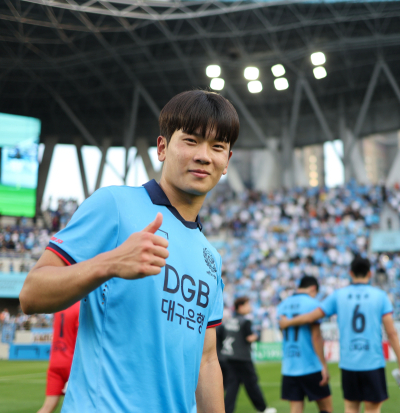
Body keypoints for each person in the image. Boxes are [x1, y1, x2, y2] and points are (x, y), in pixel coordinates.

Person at [20, 90, 239, 413]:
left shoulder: (211, 257)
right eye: (191, 140)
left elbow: (206, 360)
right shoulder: (114, 205)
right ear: (162, 148)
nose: (204, 155)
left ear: (226, 162)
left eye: (217, 146)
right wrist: (110, 262)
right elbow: (31, 295)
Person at [280, 257, 400, 413]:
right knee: (373, 409)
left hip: (349, 364)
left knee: (351, 408)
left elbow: (311, 317)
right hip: (372, 362)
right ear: (370, 273)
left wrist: (288, 322)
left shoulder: (338, 295)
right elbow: (391, 333)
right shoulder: (380, 295)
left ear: (350, 273)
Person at [276, 275, 333, 413]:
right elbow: (316, 337)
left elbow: (282, 331)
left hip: (289, 366)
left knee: (295, 410)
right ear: (313, 288)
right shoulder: (313, 304)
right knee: (326, 408)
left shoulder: (282, 305)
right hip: (310, 365)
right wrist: (323, 366)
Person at [220, 296, 277, 413]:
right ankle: (263, 409)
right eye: (247, 305)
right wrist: (257, 335)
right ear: (240, 307)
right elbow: (249, 338)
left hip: (229, 358)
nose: (249, 307)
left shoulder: (227, 321)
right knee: (252, 384)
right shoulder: (245, 321)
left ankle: (226, 410)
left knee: (232, 388)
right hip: (243, 359)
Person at [37, 301, 80, 413]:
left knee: (47, 408)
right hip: (73, 364)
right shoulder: (80, 307)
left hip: (55, 362)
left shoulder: (60, 306)